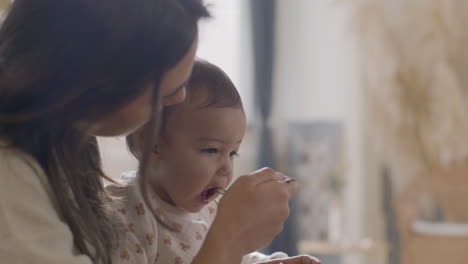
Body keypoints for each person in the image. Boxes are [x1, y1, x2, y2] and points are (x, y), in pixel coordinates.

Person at [0, 1, 302, 264]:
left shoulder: (65, 146)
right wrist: (230, 237)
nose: (178, 98)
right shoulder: (12, 179)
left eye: (232, 152)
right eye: (167, 89)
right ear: (106, 75)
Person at [108, 59, 320, 264]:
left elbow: (234, 256)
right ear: (152, 145)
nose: (227, 168)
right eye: (211, 150)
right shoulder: (125, 218)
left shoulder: (213, 209)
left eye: (233, 153)